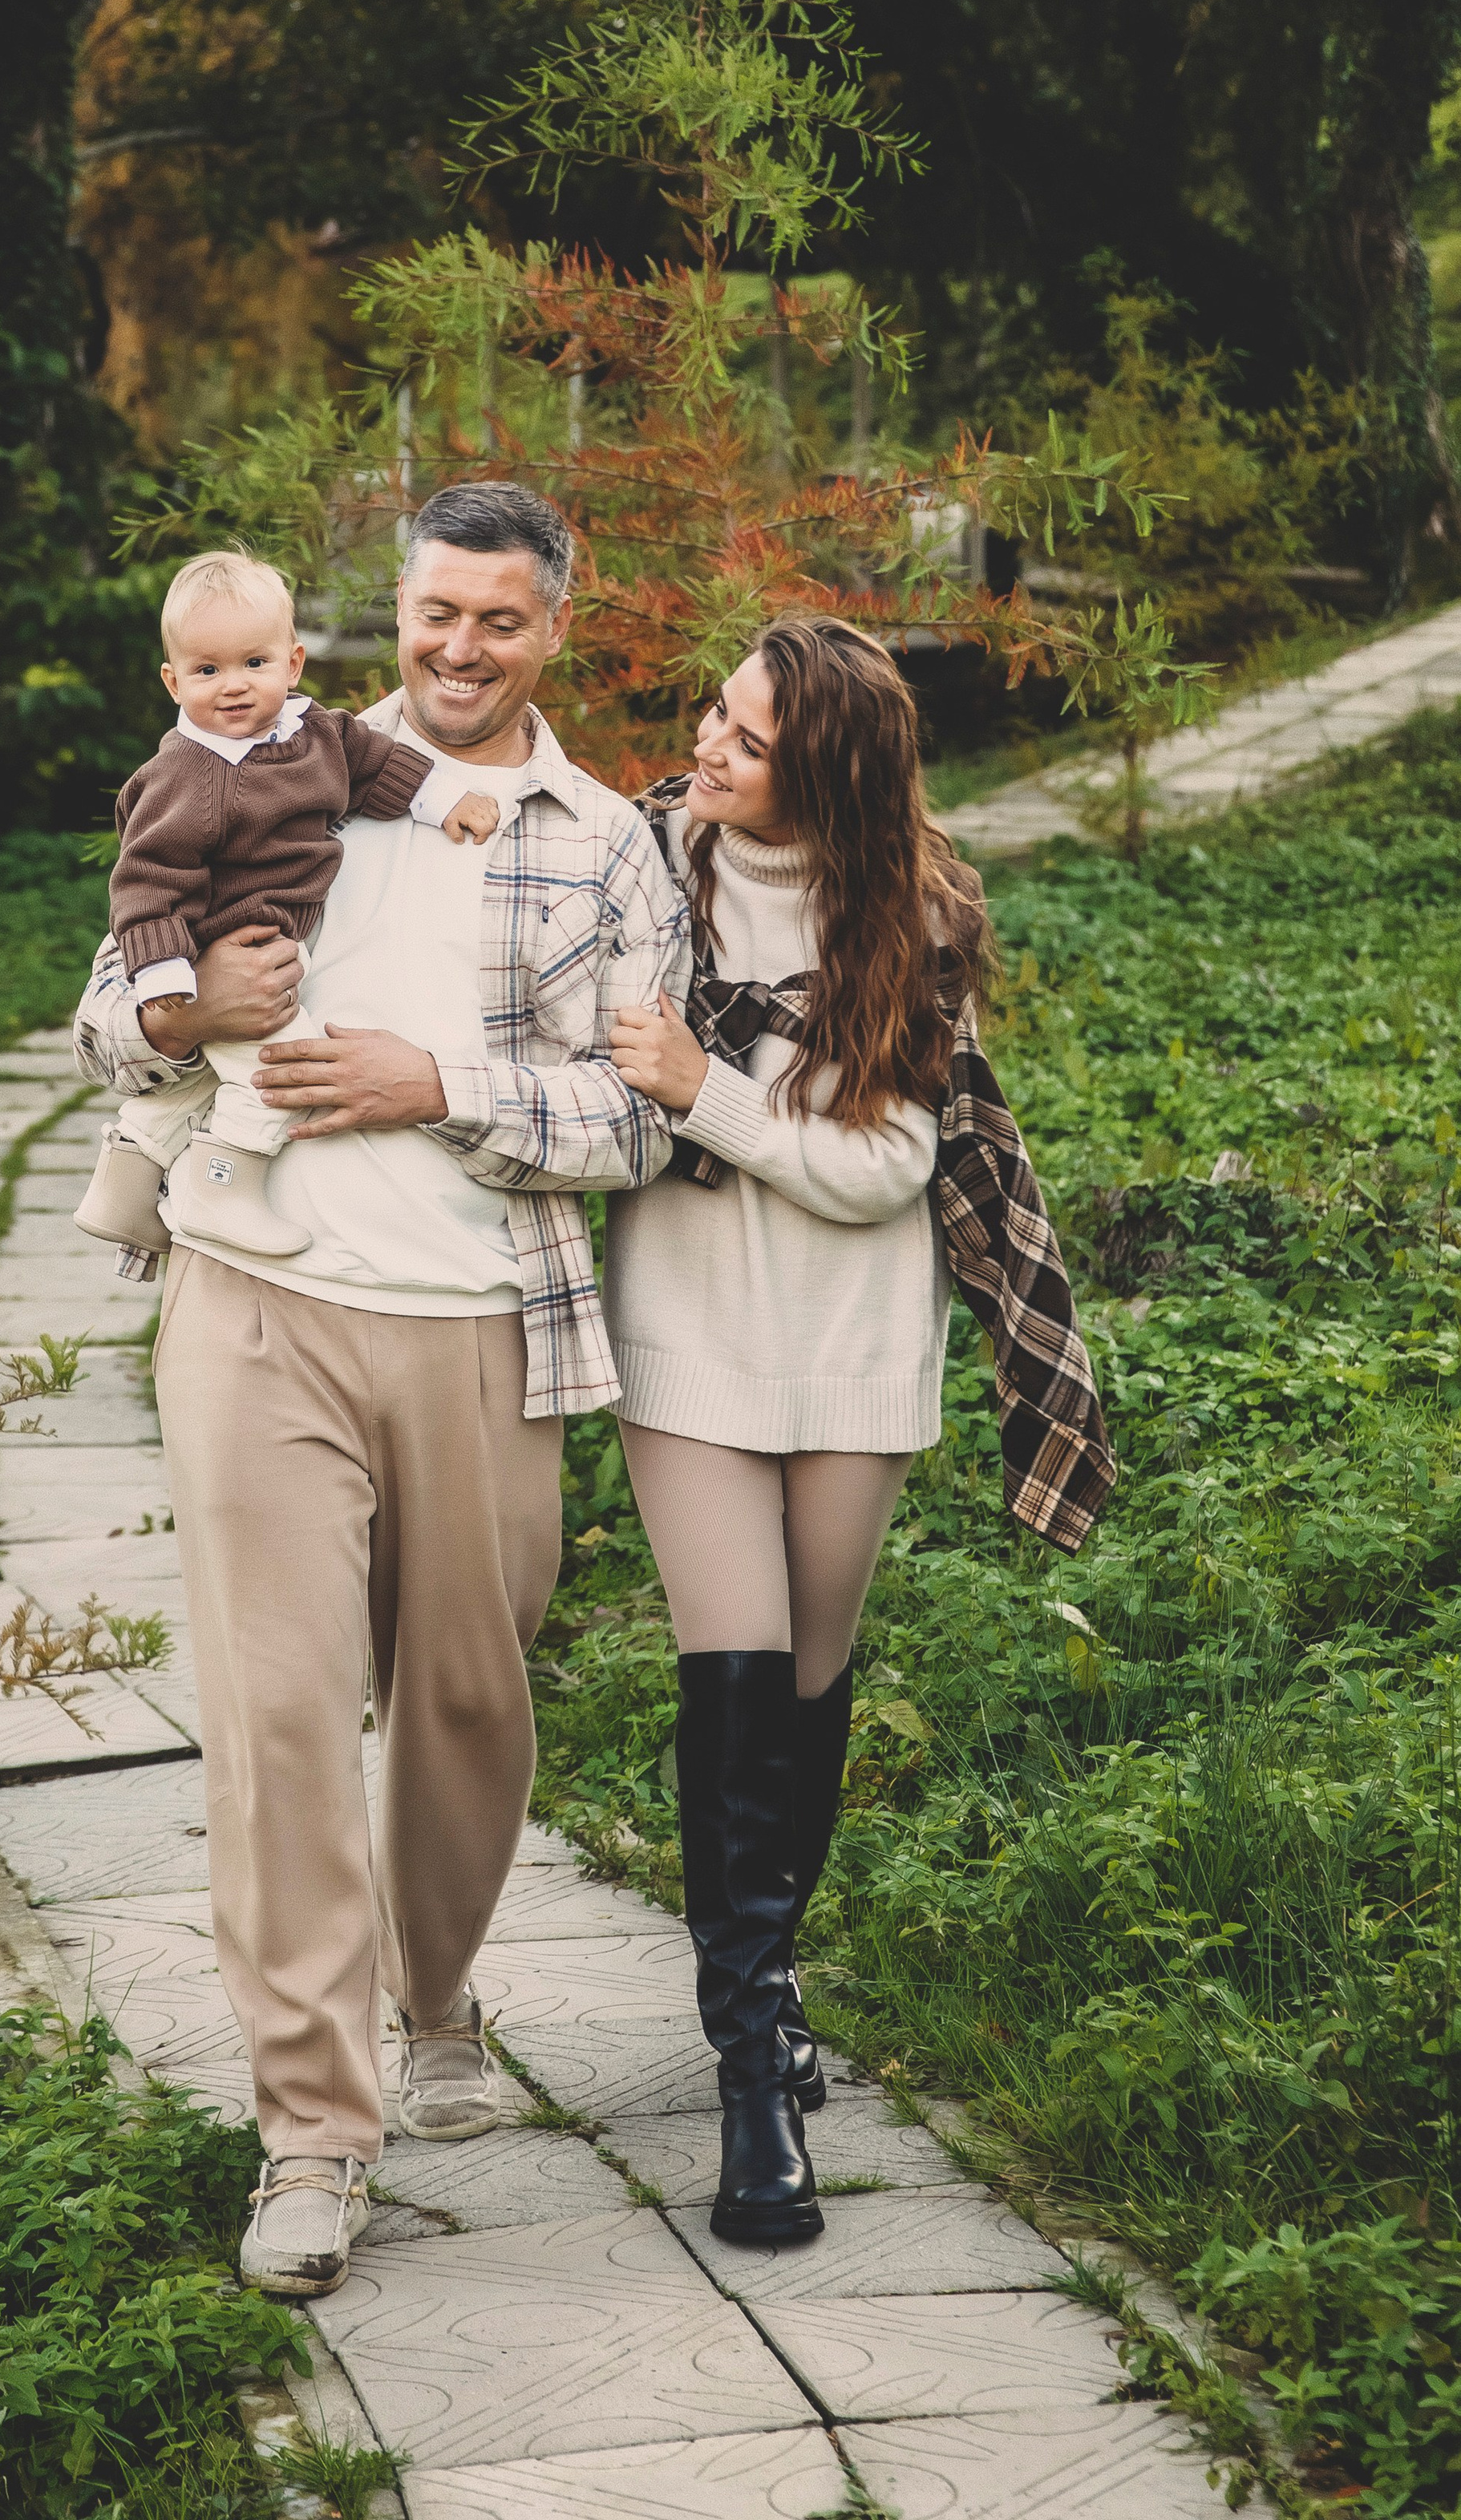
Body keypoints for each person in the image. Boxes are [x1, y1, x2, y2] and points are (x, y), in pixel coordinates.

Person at [74, 482, 690, 2297]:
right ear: (394, 610)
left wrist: (444, 1084)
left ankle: (436, 1992)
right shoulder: (261, 756)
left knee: (465, 1700)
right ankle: (310, 2131)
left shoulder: (595, 843)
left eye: (498, 618)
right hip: (252, 1300)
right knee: (276, 1722)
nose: (457, 646)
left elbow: (642, 1123)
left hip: (485, 1319)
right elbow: (104, 1008)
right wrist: (186, 1012)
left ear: (552, 628)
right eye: (433, 611)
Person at [605, 614, 1110, 2251]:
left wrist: (698, 1085)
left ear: (819, 770)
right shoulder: (638, 867)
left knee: (810, 1685)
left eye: (744, 738)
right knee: (732, 1666)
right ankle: (753, 2071)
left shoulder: (905, 910)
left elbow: (884, 1167)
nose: (708, 745)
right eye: (713, 717)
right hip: (681, 1328)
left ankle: (768, 1981)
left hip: (848, 1343)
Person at [76, 548, 498, 1260]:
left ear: (293, 664)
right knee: (282, 1076)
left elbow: (379, 765)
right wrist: (170, 982)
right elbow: (146, 882)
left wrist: (447, 801)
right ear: (173, 681)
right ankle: (221, 1185)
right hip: (227, 955)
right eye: (207, 671)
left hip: (274, 945)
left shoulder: (317, 733)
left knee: (205, 1077)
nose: (233, 687)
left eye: (254, 664)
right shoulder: (185, 775)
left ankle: (120, 1187)